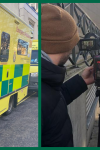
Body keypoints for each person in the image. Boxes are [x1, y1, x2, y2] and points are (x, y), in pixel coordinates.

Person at [41, 4, 94, 147]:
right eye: (73, 43)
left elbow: (54, 102)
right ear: (64, 45)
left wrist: (81, 81)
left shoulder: (46, 80)